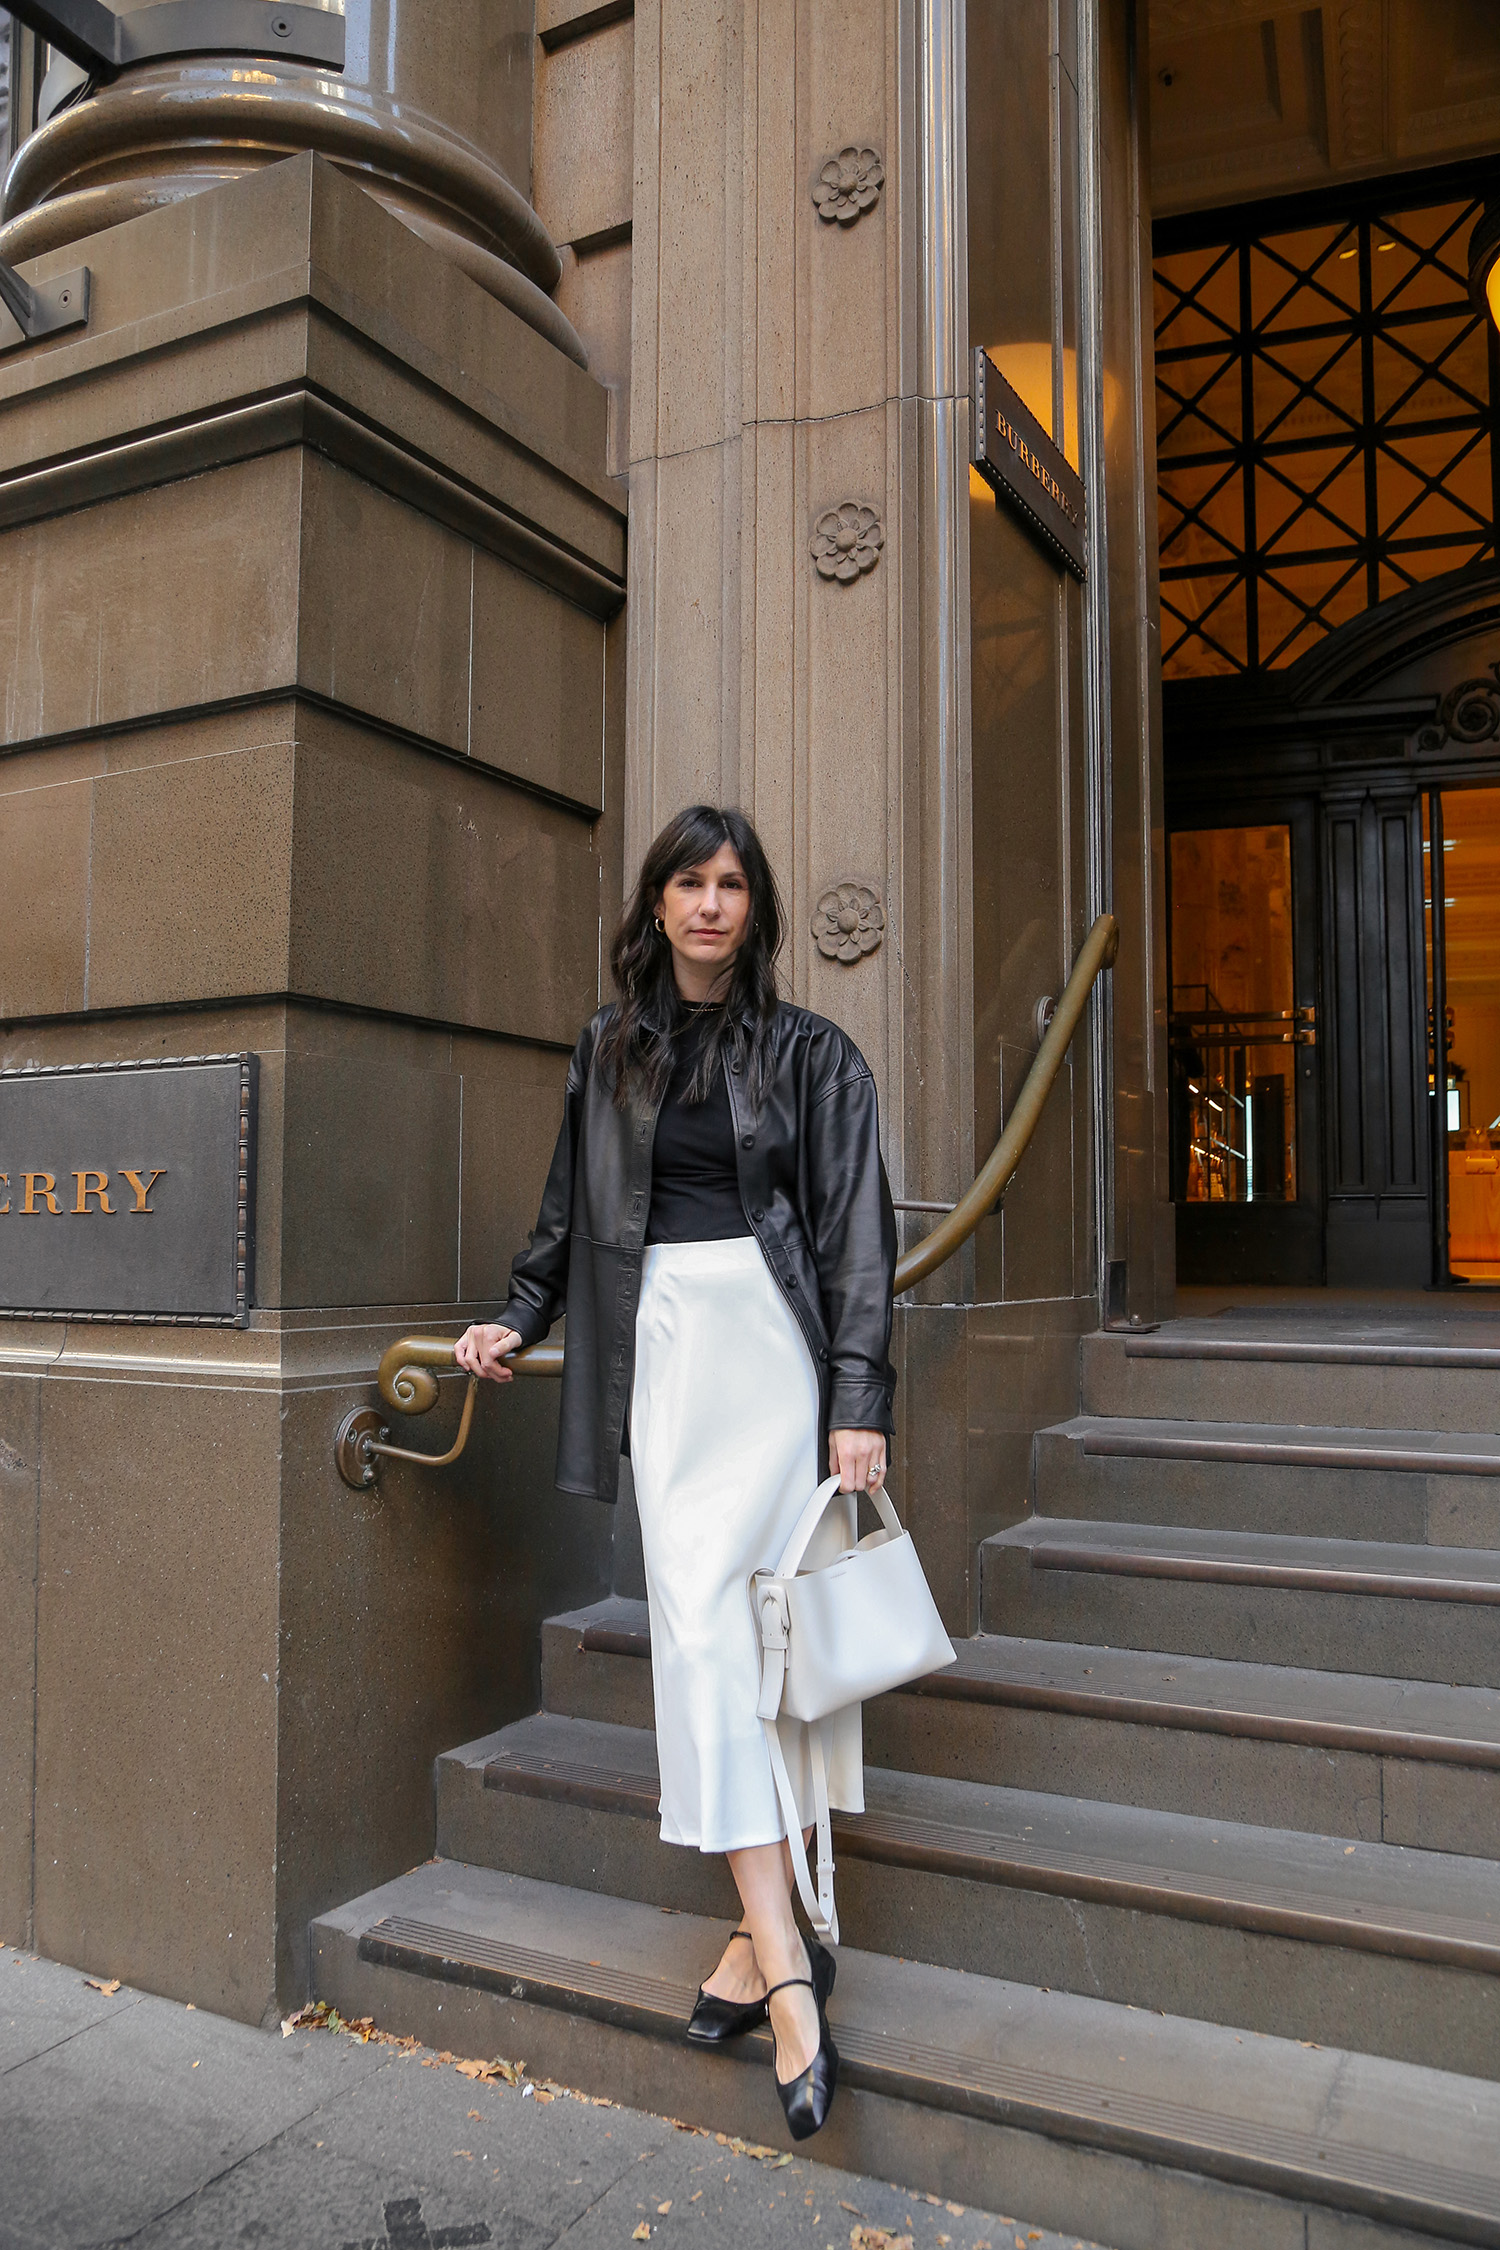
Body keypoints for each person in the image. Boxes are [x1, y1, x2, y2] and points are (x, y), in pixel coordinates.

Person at [456, 804, 897, 2141]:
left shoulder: (814, 1053)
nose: (710, 904)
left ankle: (771, 1958)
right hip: (666, 1359)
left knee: (766, 1646)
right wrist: (514, 1319)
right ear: (656, 904)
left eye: (731, 884)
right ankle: (784, 1951)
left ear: (754, 908)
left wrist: (856, 1401)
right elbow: (563, 1216)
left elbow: (857, 1235)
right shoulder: (607, 1051)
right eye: (687, 883)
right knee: (707, 1639)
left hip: (773, 1354)